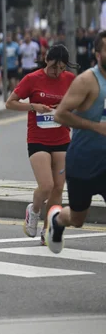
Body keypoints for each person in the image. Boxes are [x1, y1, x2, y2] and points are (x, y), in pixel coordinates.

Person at [6, 45, 76, 244]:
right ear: (47, 60)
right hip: (38, 139)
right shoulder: (32, 79)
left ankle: (49, 230)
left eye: (62, 68)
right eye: (54, 67)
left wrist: (65, 109)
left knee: (58, 188)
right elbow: (10, 103)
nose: (57, 73)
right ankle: (34, 210)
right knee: (46, 186)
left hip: (62, 138)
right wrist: (33, 106)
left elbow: (80, 103)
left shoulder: (70, 80)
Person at [47, 30, 106, 254]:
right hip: (83, 162)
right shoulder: (87, 81)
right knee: (78, 218)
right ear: (97, 54)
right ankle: (57, 220)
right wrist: (95, 126)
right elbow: (60, 115)